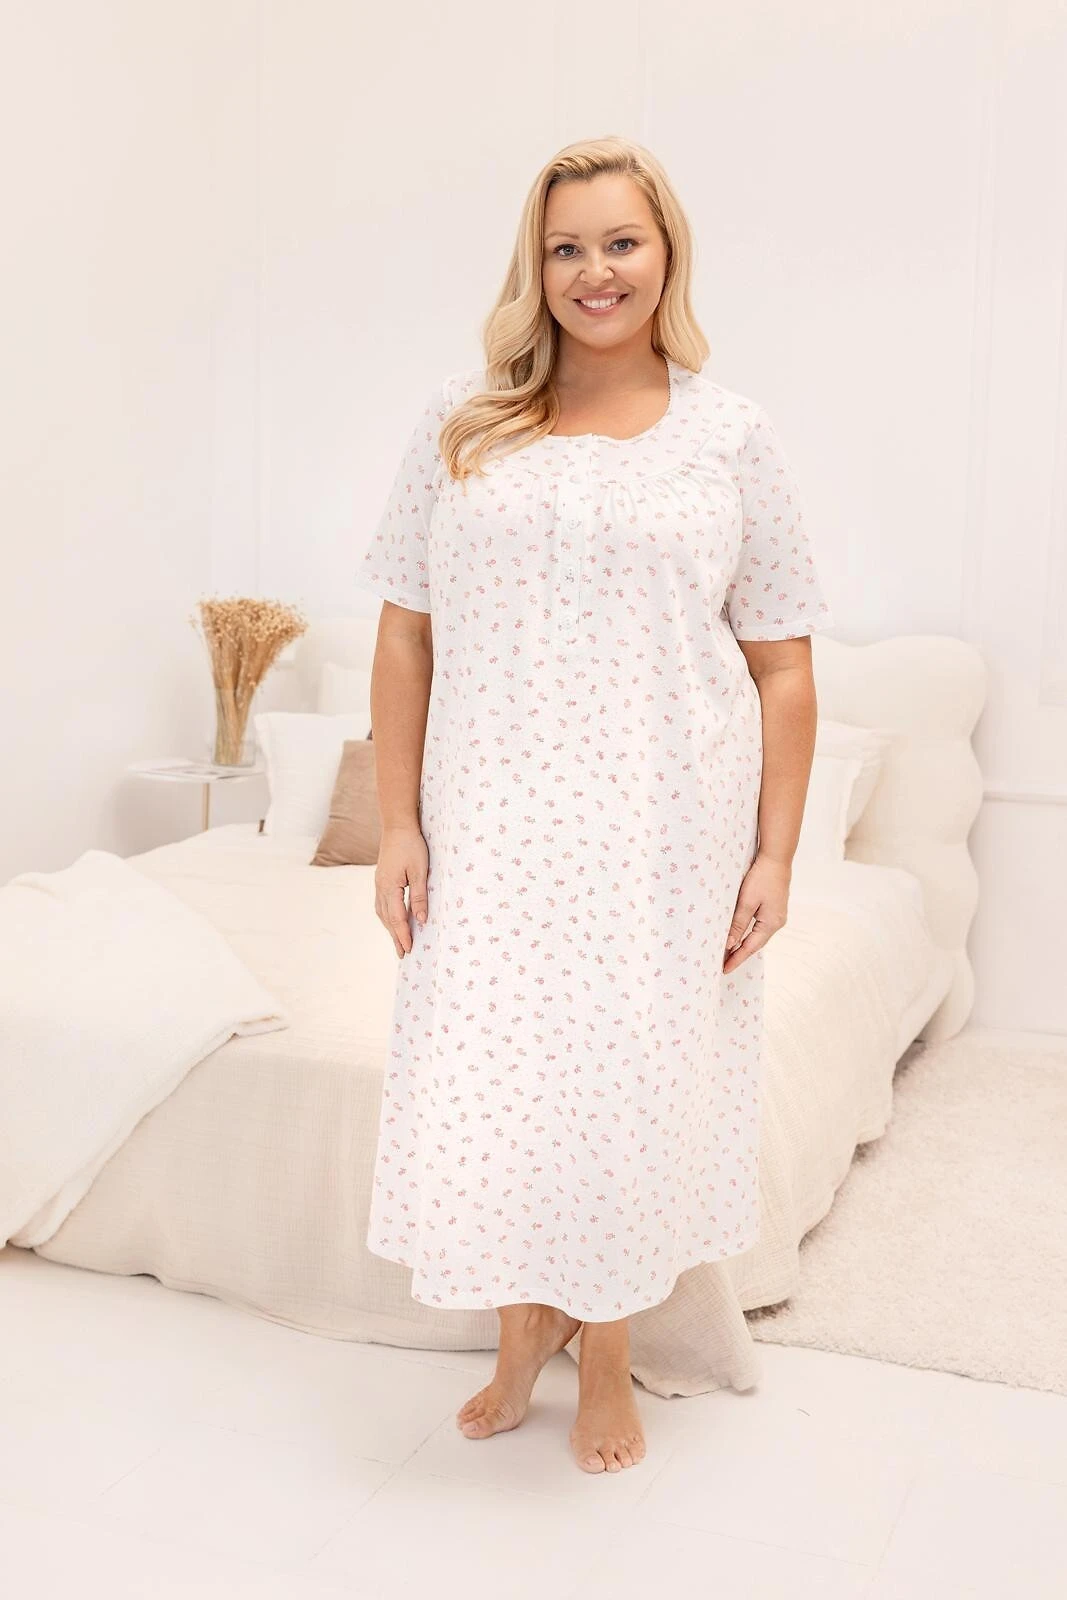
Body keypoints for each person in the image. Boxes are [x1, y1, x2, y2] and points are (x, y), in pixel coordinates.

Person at [357, 135, 835, 1475]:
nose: (593, 271)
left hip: (660, 834)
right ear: (536, 264)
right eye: (565, 247)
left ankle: (609, 1352)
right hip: (490, 826)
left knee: (622, 1087)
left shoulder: (728, 436)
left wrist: (774, 855)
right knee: (500, 1086)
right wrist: (397, 825)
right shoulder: (462, 422)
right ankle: (524, 1335)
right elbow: (404, 632)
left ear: (665, 253)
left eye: (620, 241)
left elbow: (785, 663)